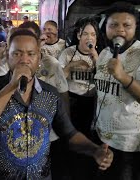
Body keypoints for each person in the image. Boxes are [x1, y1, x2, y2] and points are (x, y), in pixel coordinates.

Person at [0, 28, 113, 179]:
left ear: (39, 58)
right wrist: (11, 87)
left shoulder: (50, 94)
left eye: (31, 54)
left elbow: (69, 134)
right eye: (17, 54)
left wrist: (94, 150)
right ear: (8, 56)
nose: (24, 59)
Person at [93, 2, 140, 180]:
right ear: (105, 28)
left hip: (130, 145)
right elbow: (102, 92)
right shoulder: (104, 54)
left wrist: (123, 77)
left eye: (127, 25)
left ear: (135, 28)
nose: (120, 30)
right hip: (103, 138)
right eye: (114, 25)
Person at [58, 17, 100, 179]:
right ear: (78, 36)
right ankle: (70, 168)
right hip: (72, 100)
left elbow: (106, 79)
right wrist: (72, 66)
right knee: (71, 136)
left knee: (89, 138)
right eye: (85, 34)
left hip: (91, 101)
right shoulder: (68, 53)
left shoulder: (101, 55)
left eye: (93, 34)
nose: (89, 38)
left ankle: (85, 169)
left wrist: (96, 59)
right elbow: (59, 79)